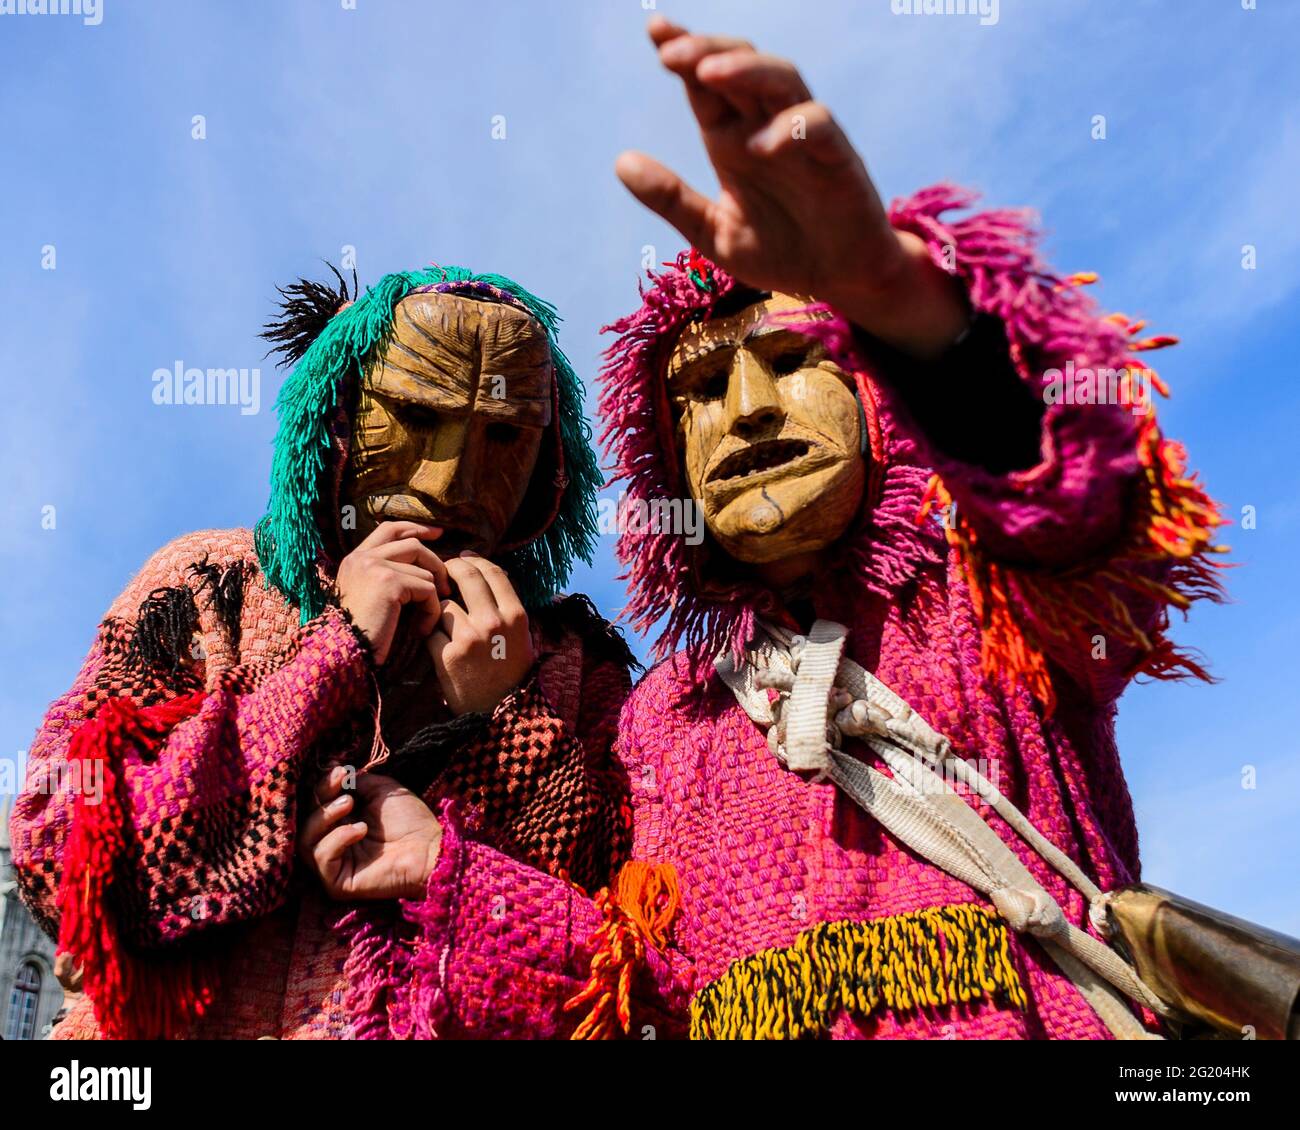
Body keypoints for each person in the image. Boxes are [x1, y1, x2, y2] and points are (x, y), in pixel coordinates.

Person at [294, 18, 1228, 1040]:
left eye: (789, 361)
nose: (746, 412)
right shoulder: (660, 722)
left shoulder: (994, 603)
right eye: (697, 389)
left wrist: (898, 301)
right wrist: (450, 868)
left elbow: (1076, 495)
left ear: (875, 401)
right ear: (664, 461)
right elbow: (641, 999)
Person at [9, 265, 639, 1039]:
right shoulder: (210, 589)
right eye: (413, 417)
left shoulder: (575, 668)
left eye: (505, 435)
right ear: (338, 420)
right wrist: (336, 654)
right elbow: (61, 851)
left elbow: (614, 961)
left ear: (549, 466)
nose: (451, 481)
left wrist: (508, 720)